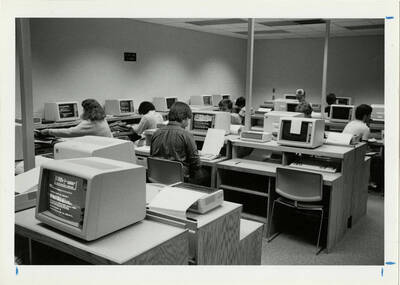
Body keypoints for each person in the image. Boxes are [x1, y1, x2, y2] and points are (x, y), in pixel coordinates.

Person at [150, 101, 208, 185]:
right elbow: (196, 163)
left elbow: (152, 156)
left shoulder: (156, 133)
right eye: (188, 119)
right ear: (184, 118)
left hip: (158, 177)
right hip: (178, 178)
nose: (188, 123)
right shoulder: (186, 135)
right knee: (205, 173)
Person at [40, 99, 112, 138]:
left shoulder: (89, 123)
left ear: (86, 110)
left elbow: (69, 132)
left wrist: (49, 131)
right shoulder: (102, 118)